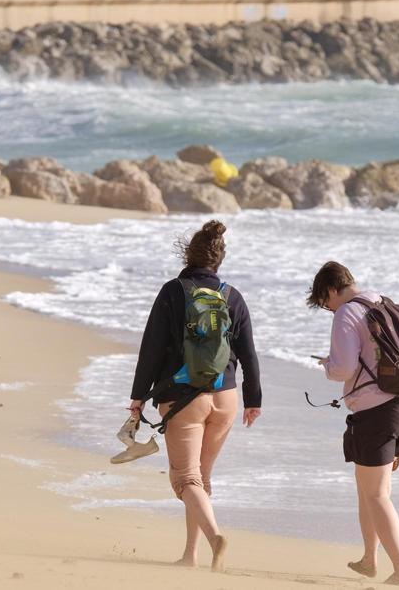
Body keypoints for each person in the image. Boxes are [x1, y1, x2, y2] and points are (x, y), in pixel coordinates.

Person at [128, 220, 262, 572]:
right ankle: (191, 555)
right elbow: (248, 353)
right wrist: (254, 400)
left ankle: (215, 537)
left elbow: (151, 349)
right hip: (226, 397)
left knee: (185, 479)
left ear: (189, 254)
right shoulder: (232, 296)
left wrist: (138, 397)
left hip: (184, 398)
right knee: (201, 478)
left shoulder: (173, 291)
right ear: (219, 258)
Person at [308, 261, 399, 587]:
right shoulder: (383, 302)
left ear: (331, 290)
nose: (330, 311)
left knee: (376, 495)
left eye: (325, 304)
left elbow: (343, 369)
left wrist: (327, 365)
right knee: (368, 489)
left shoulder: (347, 313)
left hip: (378, 412)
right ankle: (370, 559)